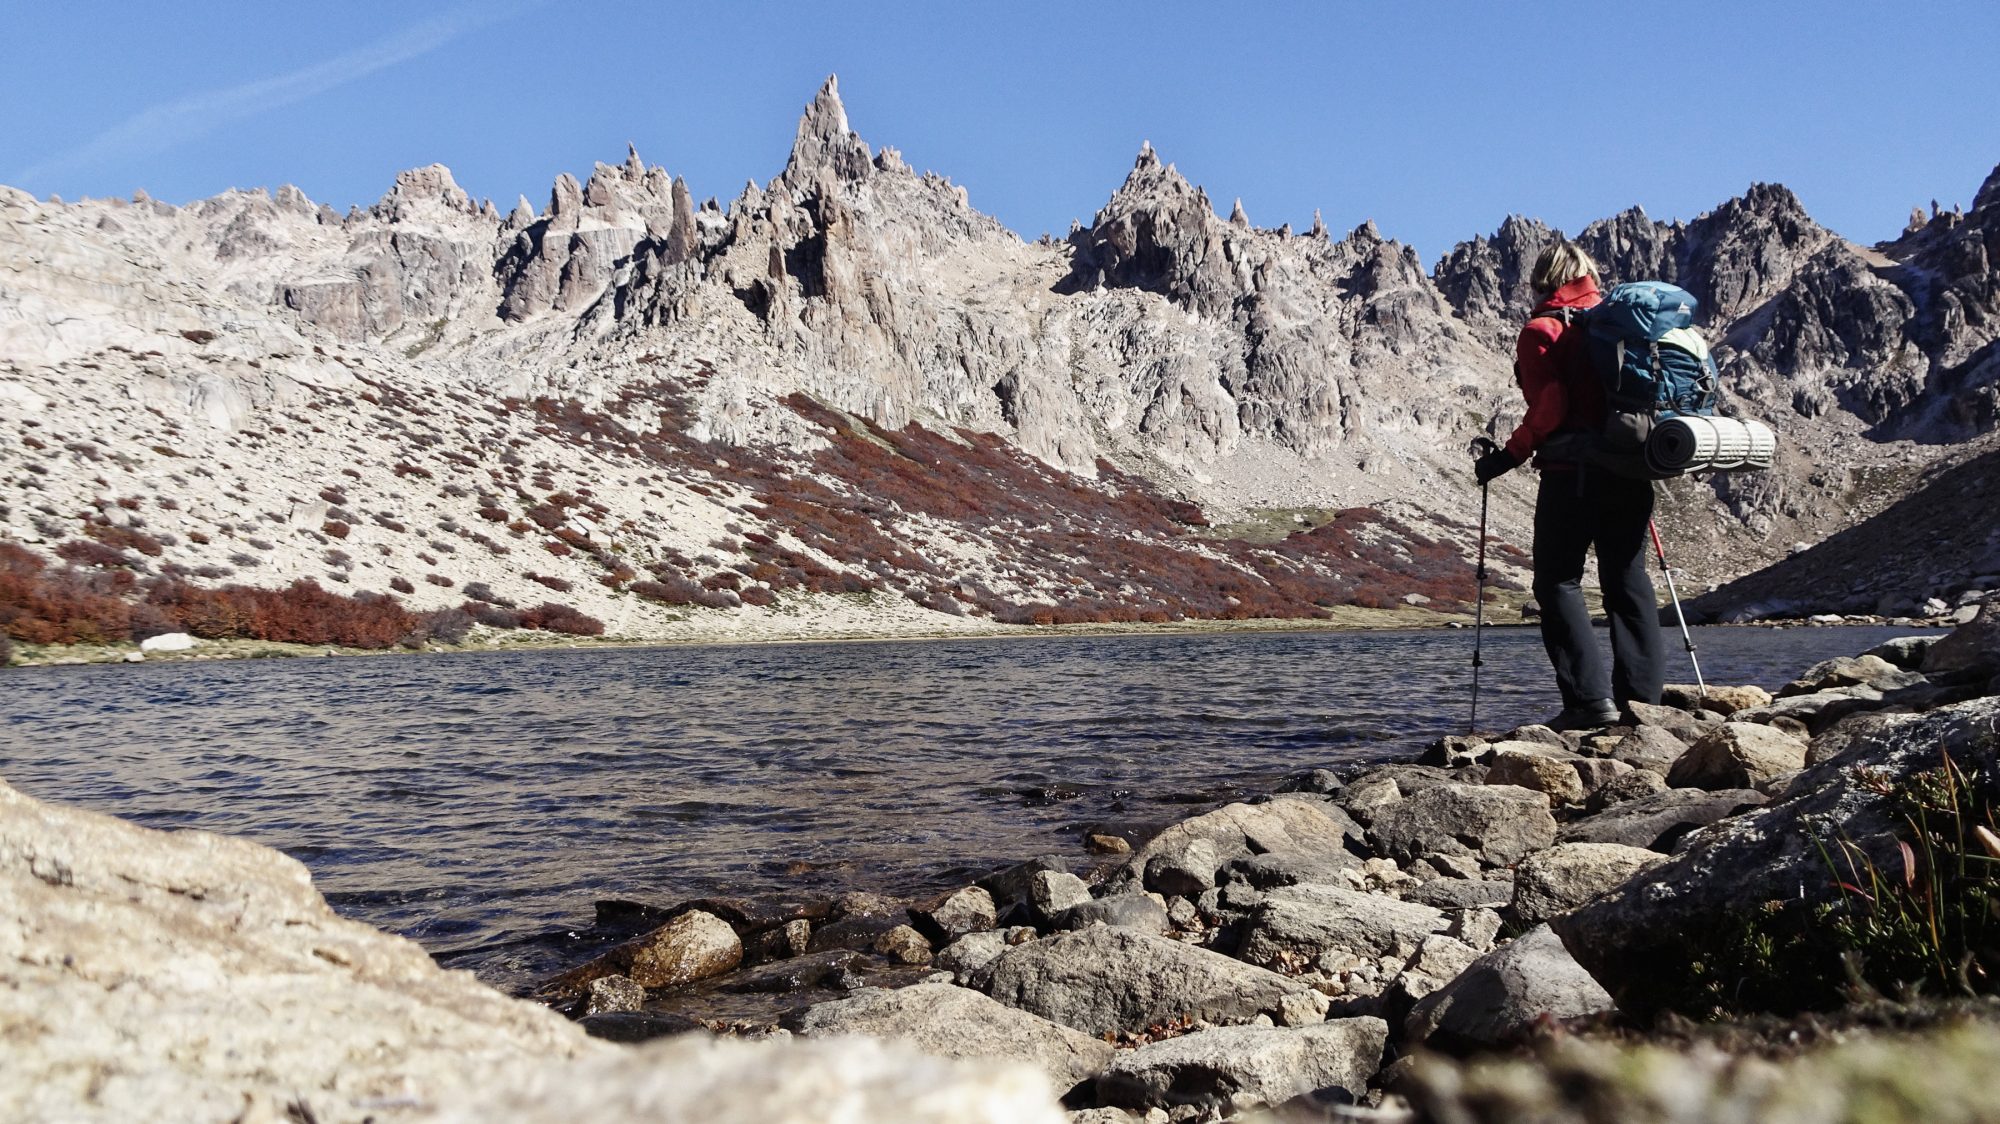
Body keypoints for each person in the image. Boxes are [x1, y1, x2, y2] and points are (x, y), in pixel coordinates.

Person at [1472, 241, 1664, 730]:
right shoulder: (1626, 323)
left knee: (1557, 582)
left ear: (1541, 280)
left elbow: (1550, 405)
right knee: (1627, 580)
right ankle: (1643, 702)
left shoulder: (1543, 330)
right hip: (1631, 470)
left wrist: (1508, 456)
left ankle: (1588, 702)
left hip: (1572, 476)